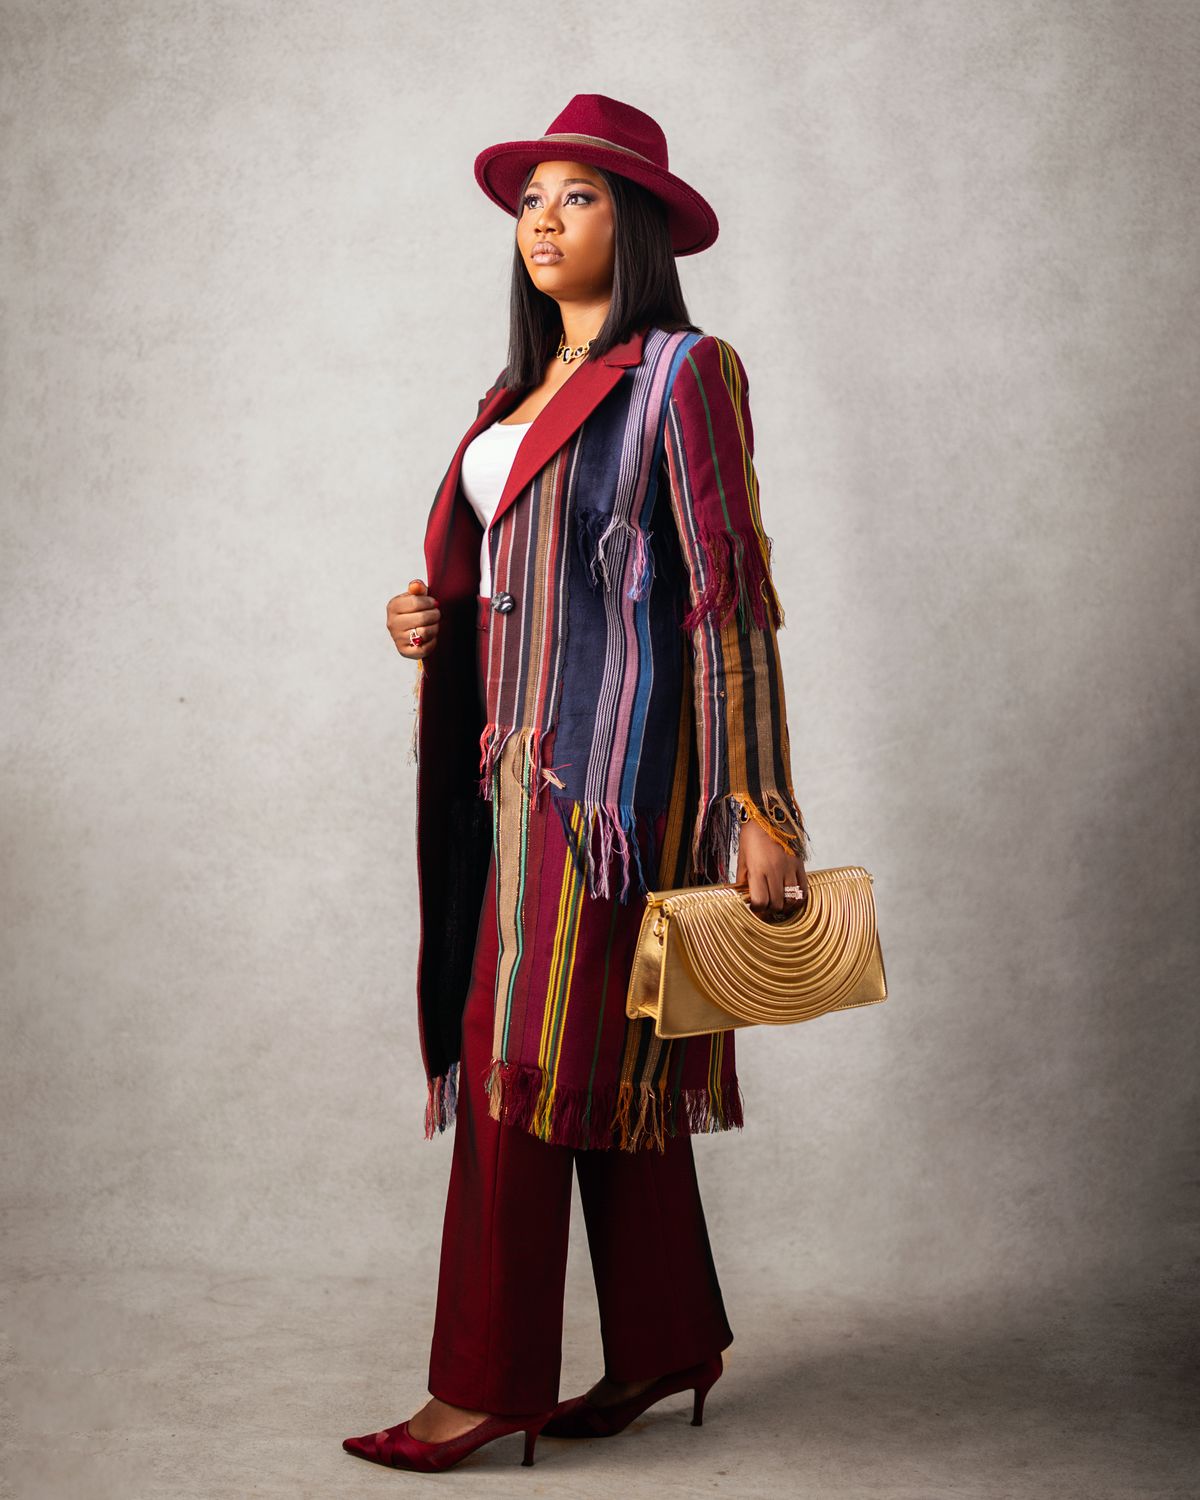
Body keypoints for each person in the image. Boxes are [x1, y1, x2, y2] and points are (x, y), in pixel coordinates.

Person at [343, 93, 812, 1474]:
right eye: (532, 201)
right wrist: (428, 617)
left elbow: (727, 596)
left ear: (638, 223)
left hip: (609, 791)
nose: (544, 221)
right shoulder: (508, 395)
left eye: (579, 197)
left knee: (516, 1054)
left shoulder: (684, 373)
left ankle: (480, 1384)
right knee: (605, 1058)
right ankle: (668, 1340)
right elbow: (510, 573)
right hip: (505, 774)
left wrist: (756, 807)